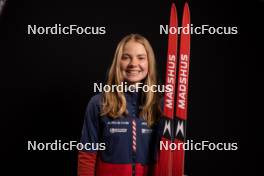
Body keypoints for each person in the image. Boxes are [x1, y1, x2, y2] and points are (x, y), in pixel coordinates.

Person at [77, 33, 162, 176]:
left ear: (149, 63)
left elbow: (169, 152)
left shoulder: (160, 105)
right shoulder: (99, 103)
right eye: (126, 57)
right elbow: (87, 153)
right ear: (118, 62)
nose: (133, 63)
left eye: (141, 58)